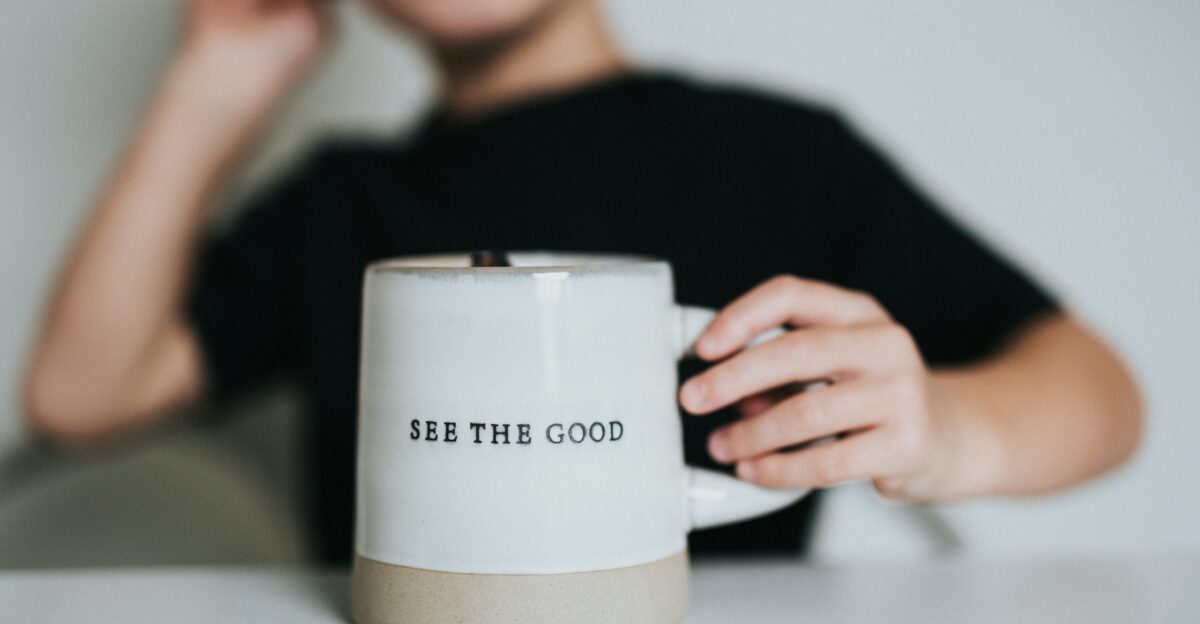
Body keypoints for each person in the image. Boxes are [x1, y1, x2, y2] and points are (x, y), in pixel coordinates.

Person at [23, 0, 1142, 564]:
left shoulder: (776, 156)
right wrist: (220, 74)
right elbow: (83, 395)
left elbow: (1099, 394)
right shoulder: (338, 203)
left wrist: (945, 428)